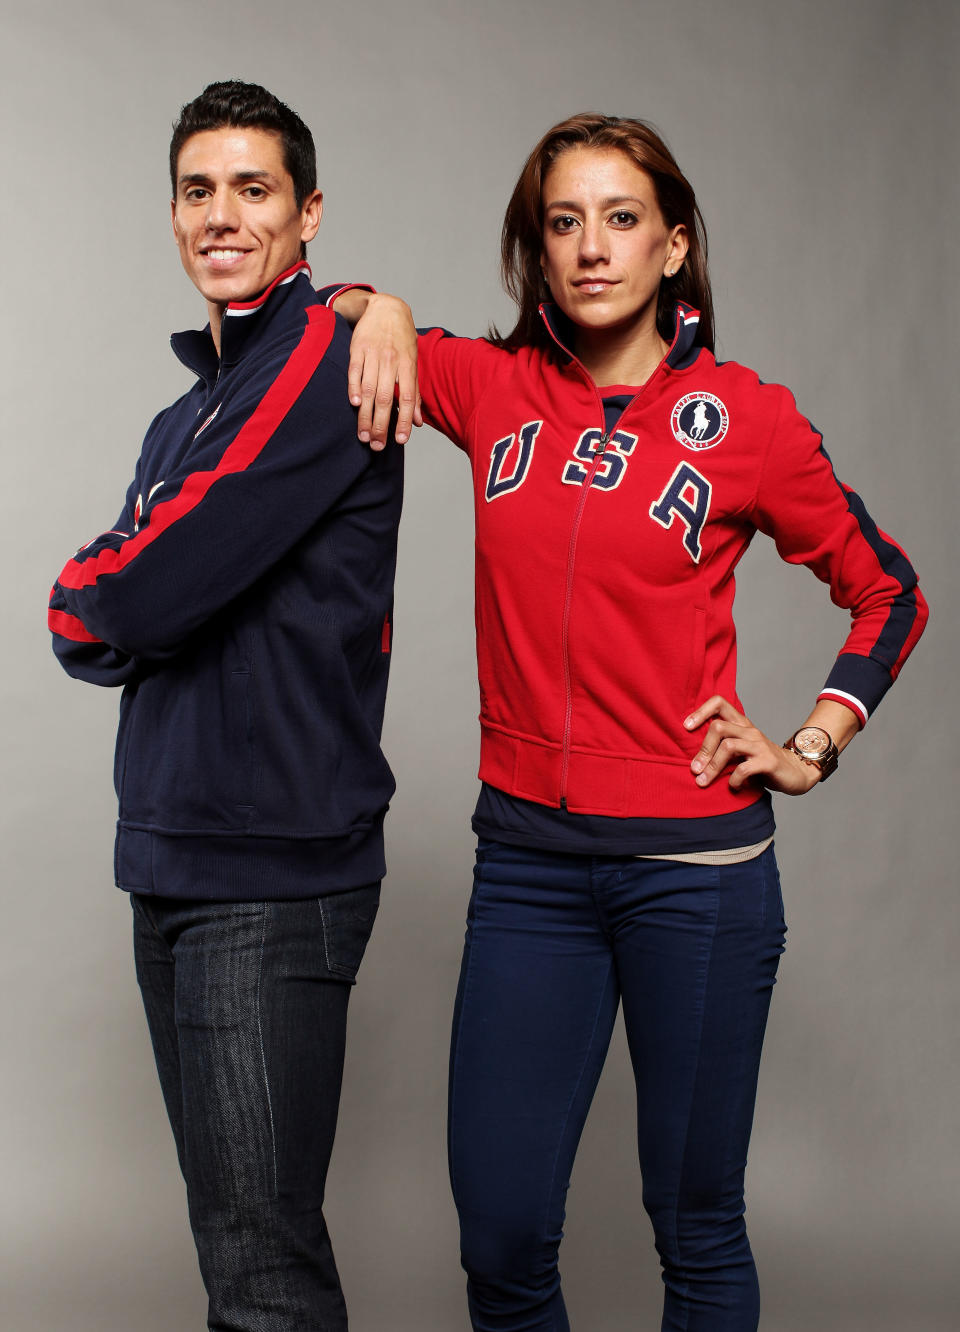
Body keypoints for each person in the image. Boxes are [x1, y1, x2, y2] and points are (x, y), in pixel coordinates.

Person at [333, 113, 928, 1331]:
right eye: (563, 222)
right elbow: (330, 308)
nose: (591, 248)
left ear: (673, 245)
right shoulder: (493, 390)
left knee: (697, 1229)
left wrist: (812, 742)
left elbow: (890, 590)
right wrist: (382, 301)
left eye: (620, 219)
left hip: (696, 874)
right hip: (530, 871)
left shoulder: (747, 419)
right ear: (535, 249)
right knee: (500, 1237)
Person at [47, 81, 406, 1332]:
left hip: (273, 876)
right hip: (177, 858)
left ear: (308, 215)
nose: (221, 215)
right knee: (233, 1248)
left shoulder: (318, 363)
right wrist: (119, 590)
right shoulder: (182, 412)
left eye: (253, 189)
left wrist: (100, 593)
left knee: (262, 1270)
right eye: (199, 189)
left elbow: (132, 599)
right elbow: (136, 592)